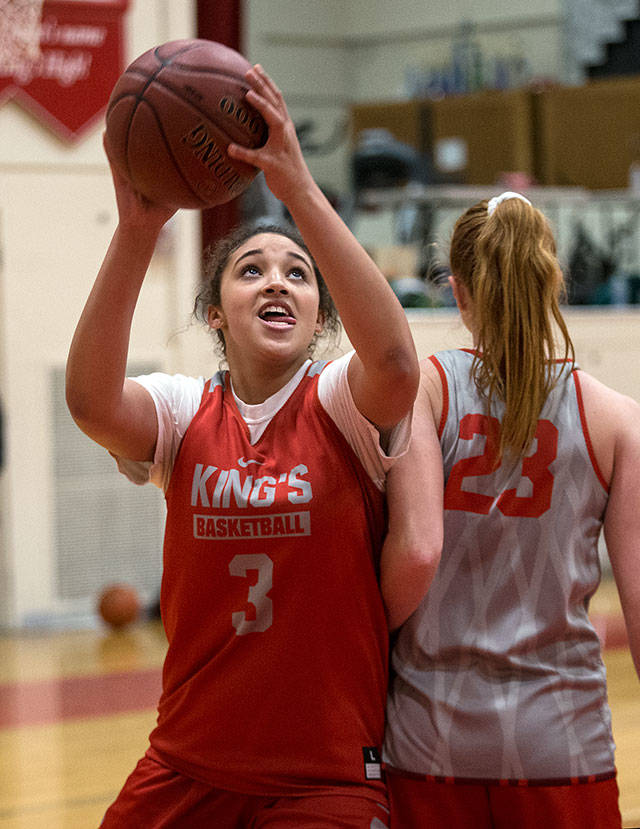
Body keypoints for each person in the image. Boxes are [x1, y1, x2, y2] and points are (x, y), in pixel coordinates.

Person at [66, 64, 424, 828]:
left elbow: (396, 363)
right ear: (216, 315)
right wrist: (136, 234)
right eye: (250, 270)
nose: (276, 282)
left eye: (298, 274)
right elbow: (92, 403)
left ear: (320, 314)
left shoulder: (341, 404)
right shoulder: (183, 409)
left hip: (322, 773)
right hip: (187, 761)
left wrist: (298, 189)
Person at [383, 191, 640, 829]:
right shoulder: (617, 420)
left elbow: (413, 554)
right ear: (552, 279)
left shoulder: (422, 391)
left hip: (428, 739)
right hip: (564, 745)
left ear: (457, 291)